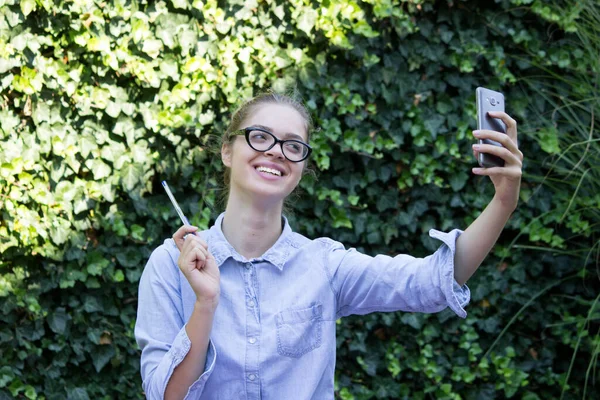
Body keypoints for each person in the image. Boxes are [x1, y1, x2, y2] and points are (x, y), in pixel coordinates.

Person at [134, 92, 523, 400]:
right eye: (260, 136)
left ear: (301, 167)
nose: (275, 151)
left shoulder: (323, 264)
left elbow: (431, 281)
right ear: (226, 150)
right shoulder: (171, 264)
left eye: (293, 145)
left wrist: (503, 201)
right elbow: (165, 395)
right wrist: (205, 304)